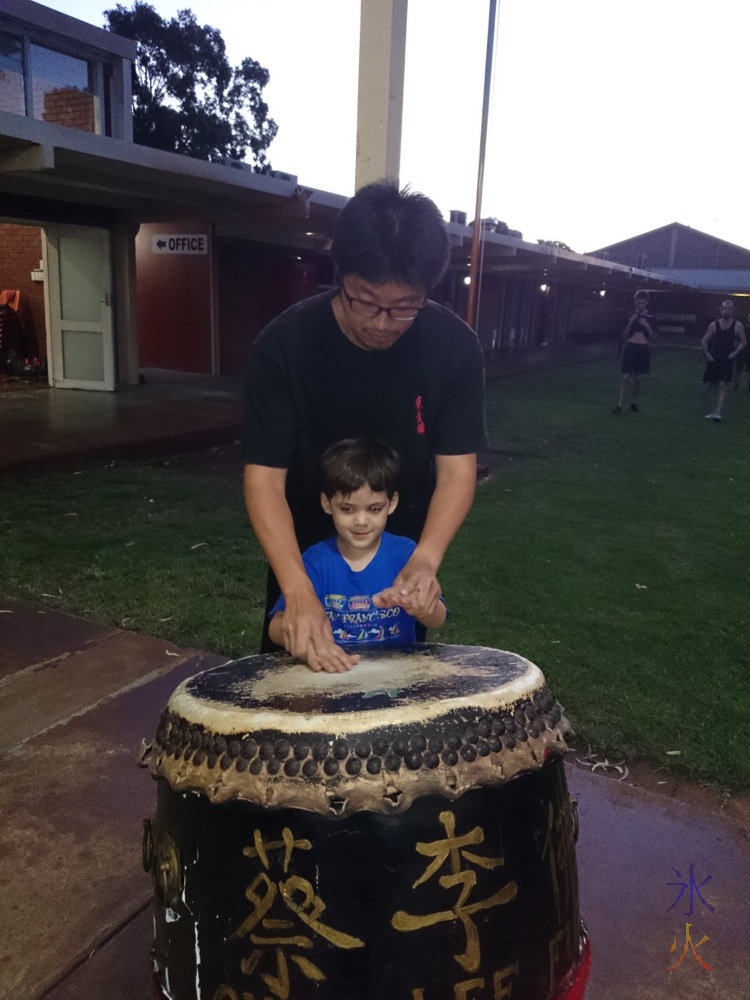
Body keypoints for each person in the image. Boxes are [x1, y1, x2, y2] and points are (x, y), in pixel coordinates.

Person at [243, 179, 486, 673]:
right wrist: (297, 590)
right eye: (366, 301)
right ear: (341, 277)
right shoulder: (284, 345)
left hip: (397, 566)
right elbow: (265, 478)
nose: (382, 322)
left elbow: (458, 472)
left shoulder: (453, 348)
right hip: (305, 559)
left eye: (403, 308)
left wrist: (426, 560)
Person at [268, 438, 447, 654]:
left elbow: (438, 618)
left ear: (392, 503)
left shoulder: (406, 555)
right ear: (327, 503)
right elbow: (275, 628)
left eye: (373, 509)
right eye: (347, 509)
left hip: (398, 680)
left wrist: (420, 607)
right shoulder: (315, 561)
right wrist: (302, 635)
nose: (361, 521)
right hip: (333, 675)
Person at [701, 300, 746, 421]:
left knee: (722, 384)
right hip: (715, 358)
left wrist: (735, 353)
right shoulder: (713, 325)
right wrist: (707, 354)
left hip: (727, 359)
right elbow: (704, 341)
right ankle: (713, 410)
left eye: (730, 308)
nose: (727, 310)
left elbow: (744, 342)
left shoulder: (738, 325)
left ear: (733, 310)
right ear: (720, 309)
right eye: (725, 308)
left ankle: (718, 412)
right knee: (713, 385)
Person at [613, 291, 657, 414]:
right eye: (638, 303)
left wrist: (646, 325)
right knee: (625, 376)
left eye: (643, 303)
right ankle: (619, 405)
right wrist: (631, 322)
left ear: (646, 303)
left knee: (638, 378)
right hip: (631, 347)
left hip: (643, 349)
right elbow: (623, 336)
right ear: (635, 302)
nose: (640, 306)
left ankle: (633, 403)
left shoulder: (652, 317)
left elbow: (654, 336)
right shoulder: (629, 315)